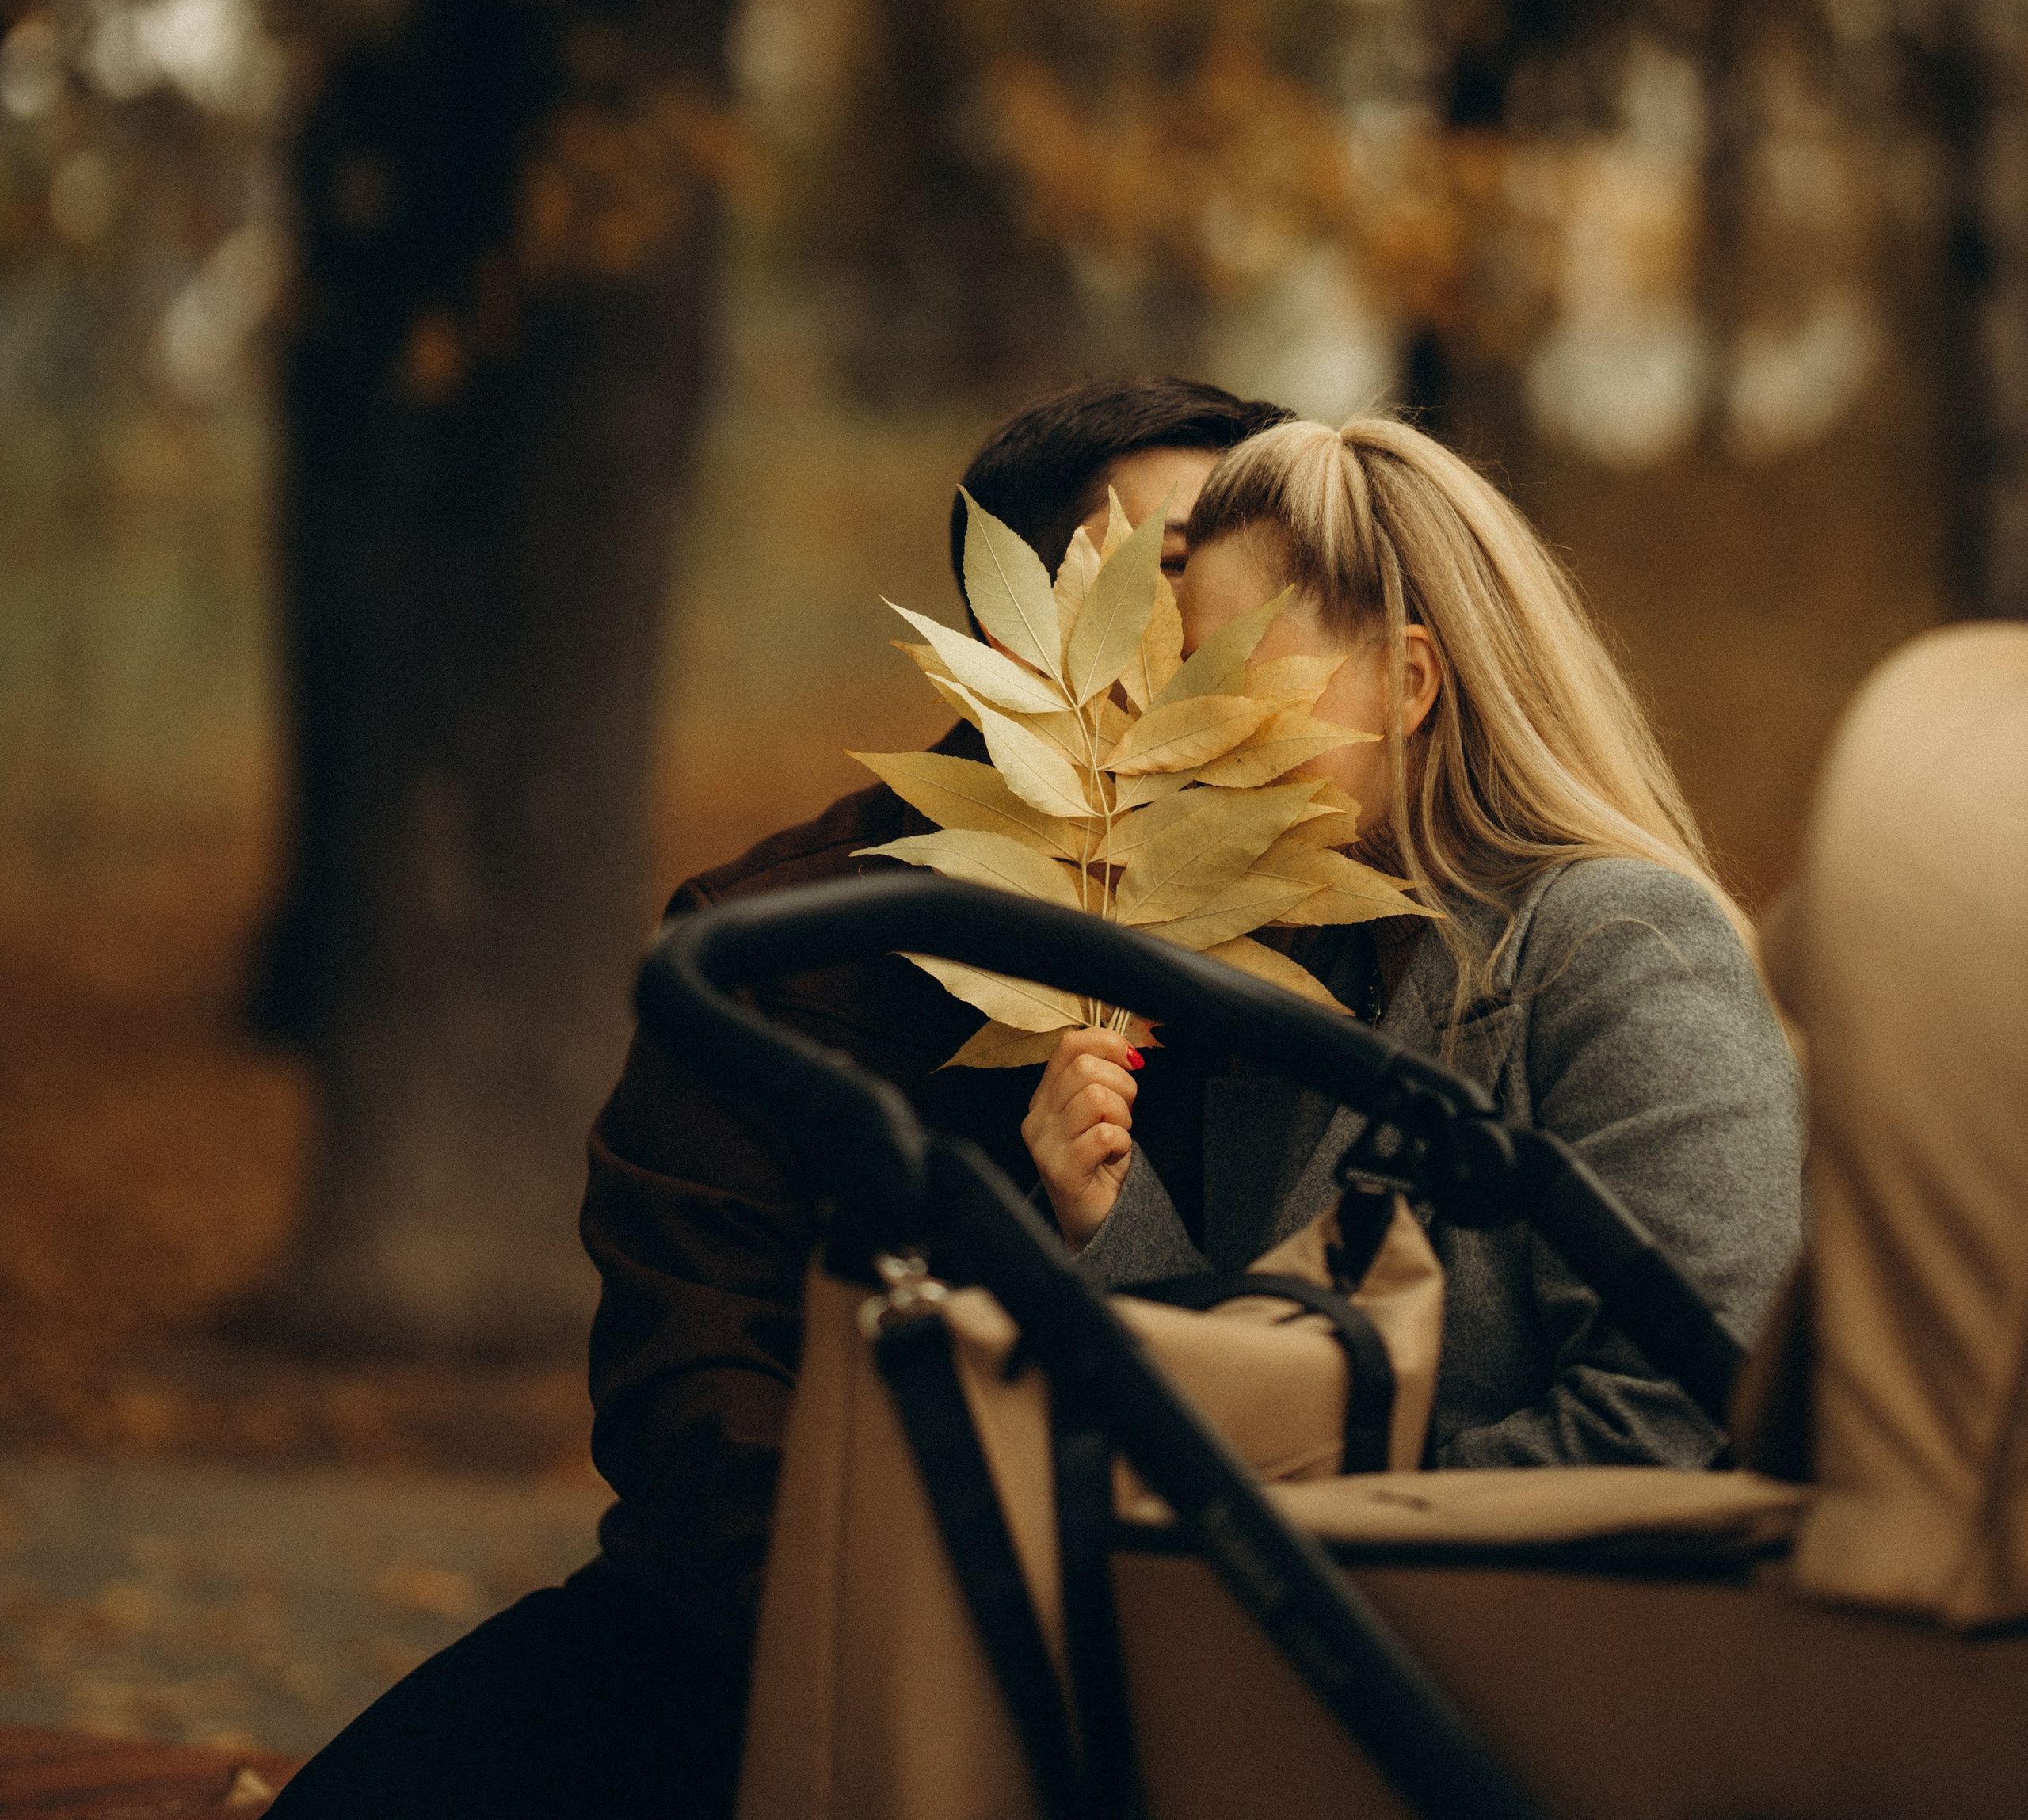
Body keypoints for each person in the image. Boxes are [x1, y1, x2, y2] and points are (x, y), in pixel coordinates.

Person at [272, 375, 1290, 1817]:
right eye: (1179, 561)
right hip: (789, 1634)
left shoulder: (1333, 954)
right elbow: (691, 1396)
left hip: (1199, 1662)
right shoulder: (773, 949)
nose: (1243, 618)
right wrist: (894, 1667)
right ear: (1025, 620)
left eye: (1280, 564)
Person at [1024, 410, 1805, 1468]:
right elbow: (1253, 1407)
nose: (1182, 728)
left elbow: (1689, 1419)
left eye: (1227, 677)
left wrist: (1345, 1531)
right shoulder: (1297, 976)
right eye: (1180, 675)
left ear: (1405, 684)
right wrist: (1111, 1218)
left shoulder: (1623, 946)